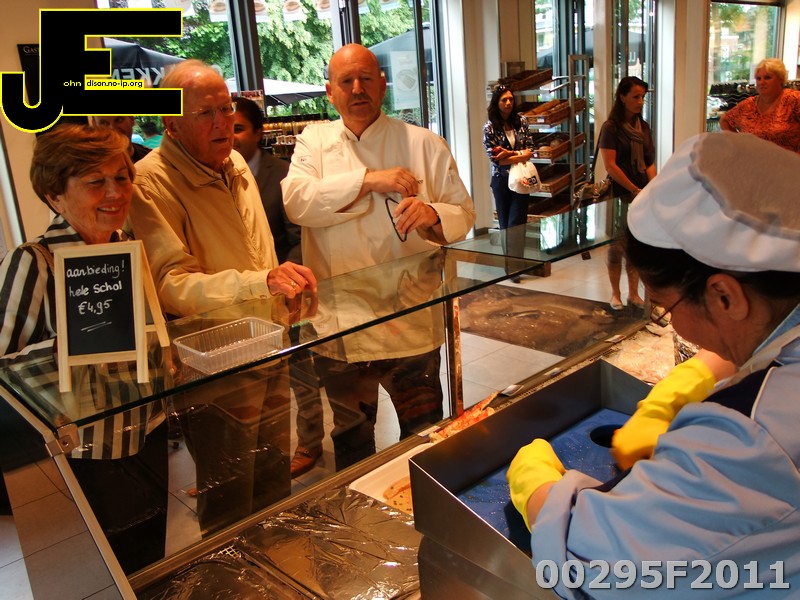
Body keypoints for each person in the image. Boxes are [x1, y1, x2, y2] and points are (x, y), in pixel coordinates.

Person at [507, 131, 800, 597]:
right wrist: (688, 383)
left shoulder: (751, 442)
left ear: (724, 296)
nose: (673, 324)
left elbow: (599, 562)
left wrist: (538, 485)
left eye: (665, 306)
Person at [128, 59, 317, 535]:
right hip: (214, 367)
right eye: (205, 113)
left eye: (226, 109)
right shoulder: (149, 183)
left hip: (268, 344)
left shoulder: (233, 164)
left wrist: (282, 293)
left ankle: (277, 563)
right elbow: (171, 285)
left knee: (273, 478)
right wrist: (261, 282)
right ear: (171, 124)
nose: (223, 123)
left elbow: (258, 247)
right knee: (229, 494)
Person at [282, 43, 475, 470]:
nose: (357, 88)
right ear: (330, 92)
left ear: (383, 85)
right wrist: (369, 181)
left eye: (366, 78)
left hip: (410, 318)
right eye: (346, 81)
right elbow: (297, 202)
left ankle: (423, 497)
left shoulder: (424, 143)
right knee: (351, 435)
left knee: (422, 430)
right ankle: (358, 504)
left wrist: (432, 214)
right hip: (342, 322)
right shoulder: (314, 142)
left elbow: (464, 212)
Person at [0, 124, 167, 574]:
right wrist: (77, 345)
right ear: (54, 195)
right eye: (96, 182)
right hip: (85, 455)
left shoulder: (125, 247)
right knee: (106, 571)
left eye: (122, 177)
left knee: (148, 561)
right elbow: (4, 370)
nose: (116, 192)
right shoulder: (34, 262)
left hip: (147, 433)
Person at [232, 95, 324, 477]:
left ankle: (309, 442)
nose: (230, 135)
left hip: (286, 295)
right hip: (244, 299)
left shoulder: (282, 173)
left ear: (258, 132)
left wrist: (290, 283)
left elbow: (299, 236)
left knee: (301, 372)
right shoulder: (219, 178)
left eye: (238, 128)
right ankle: (250, 459)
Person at [598, 76, 656, 311]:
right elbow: (610, 165)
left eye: (642, 97)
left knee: (635, 246)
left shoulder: (644, 127)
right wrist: (633, 189)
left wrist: (652, 188)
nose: (640, 101)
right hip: (619, 193)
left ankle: (633, 293)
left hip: (640, 194)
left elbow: (649, 161)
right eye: (635, 97)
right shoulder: (610, 128)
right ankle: (615, 293)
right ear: (622, 97)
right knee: (616, 246)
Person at [482, 85, 535, 282]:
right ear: (496, 103)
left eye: (511, 99)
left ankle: (516, 265)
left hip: (521, 178)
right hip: (501, 180)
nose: (508, 103)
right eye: (504, 100)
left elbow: (530, 151)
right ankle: (510, 267)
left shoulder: (521, 121)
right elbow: (497, 160)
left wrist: (510, 154)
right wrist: (519, 155)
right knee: (505, 224)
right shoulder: (490, 127)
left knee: (517, 224)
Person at [720, 57, 800, 153]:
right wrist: (737, 145)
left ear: (780, 79)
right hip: (753, 161)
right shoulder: (748, 105)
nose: (762, 82)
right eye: (758, 78)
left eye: (767, 77)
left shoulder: (793, 99)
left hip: (787, 161)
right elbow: (725, 120)